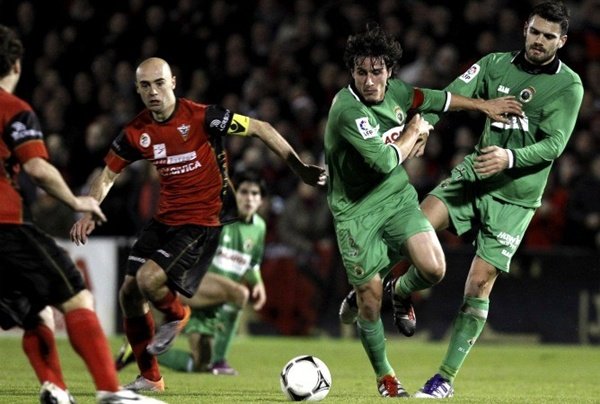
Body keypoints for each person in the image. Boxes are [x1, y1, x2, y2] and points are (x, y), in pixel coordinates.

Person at [341, 1, 584, 398]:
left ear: (563, 40)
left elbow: (555, 144)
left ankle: (442, 377)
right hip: (474, 176)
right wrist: (423, 127)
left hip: (516, 198)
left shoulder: (569, 86)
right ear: (525, 29)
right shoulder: (493, 65)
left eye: (549, 36)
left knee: (479, 282)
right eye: (535, 32)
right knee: (414, 228)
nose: (540, 41)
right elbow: (452, 94)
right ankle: (378, 288)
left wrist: (510, 157)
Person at [70, 57, 326, 392]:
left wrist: (299, 168)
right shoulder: (136, 132)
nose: (153, 91)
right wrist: (90, 210)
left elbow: (261, 128)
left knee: (148, 281)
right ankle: (150, 377)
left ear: (173, 82)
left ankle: (176, 315)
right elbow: (107, 175)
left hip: (203, 219)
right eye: (145, 85)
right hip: (164, 219)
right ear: (137, 89)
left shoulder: (206, 117)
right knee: (129, 295)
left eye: (159, 83)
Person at [324, 23, 523, 397]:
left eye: (377, 71)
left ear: (389, 72)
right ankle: (386, 376)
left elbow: (440, 100)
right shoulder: (346, 109)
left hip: (396, 199)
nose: (369, 81)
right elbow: (387, 160)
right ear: (351, 72)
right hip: (355, 212)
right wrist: (414, 132)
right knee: (369, 301)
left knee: (434, 267)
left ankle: (398, 288)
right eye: (361, 72)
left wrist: (483, 106)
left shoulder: (399, 92)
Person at [0, 24, 164, 404]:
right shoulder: (14, 109)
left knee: (34, 312)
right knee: (77, 298)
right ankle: (110, 391)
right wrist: (78, 201)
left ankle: (55, 389)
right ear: (17, 65)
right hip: (5, 228)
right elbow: (38, 168)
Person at [115, 170, 269, 375]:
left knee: (200, 365)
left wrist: (258, 282)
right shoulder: (219, 217)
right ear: (235, 194)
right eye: (244, 192)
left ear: (261, 201)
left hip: (215, 300)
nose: (249, 198)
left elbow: (252, 263)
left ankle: (141, 351)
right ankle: (220, 360)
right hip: (197, 285)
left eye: (255, 194)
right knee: (240, 293)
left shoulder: (259, 228)